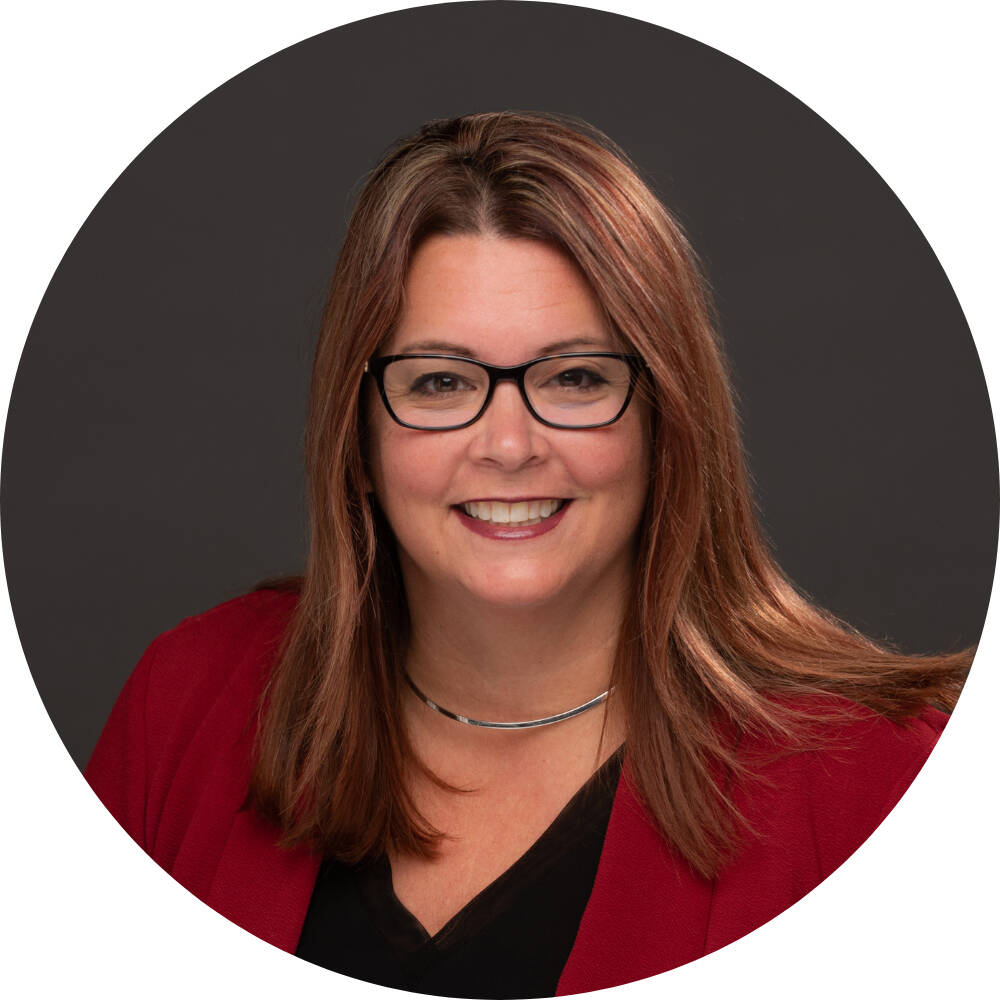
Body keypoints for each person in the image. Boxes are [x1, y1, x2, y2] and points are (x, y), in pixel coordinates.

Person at [85, 112, 971, 997]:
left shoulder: (877, 787)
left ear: (667, 421)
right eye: (439, 382)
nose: (509, 445)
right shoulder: (187, 708)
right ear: (356, 439)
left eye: (575, 378)